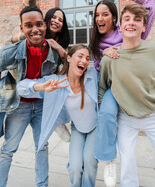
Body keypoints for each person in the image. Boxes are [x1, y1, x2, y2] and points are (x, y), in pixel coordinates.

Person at [90, 0, 155, 186]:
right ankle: (108, 159)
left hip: (149, 105)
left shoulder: (127, 31)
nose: (100, 18)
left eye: (105, 14)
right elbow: (98, 73)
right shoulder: (97, 42)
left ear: (114, 20)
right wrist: (105, 55)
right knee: (107, 114)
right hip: (115, 88)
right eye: (97, 15)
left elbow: (152, 1)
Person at [5, 0, 71, 142]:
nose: (57, 21)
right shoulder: (35, 32)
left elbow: (68, 62)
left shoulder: (60, 42)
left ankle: (58, 119)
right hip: (21, 85)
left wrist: (59, 48)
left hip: (45, 89)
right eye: (54, 17)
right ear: (46, 19)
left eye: (61, 19)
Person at [17, 44, 99, 187]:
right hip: (78, 129)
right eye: (80, 56)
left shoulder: (92, 74)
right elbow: (21, 87)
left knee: (90, 163)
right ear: (69, 58)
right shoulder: (56, 81)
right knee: (75, 168)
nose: (84, 61)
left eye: (87, 58)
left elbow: (110, 73)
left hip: (95, 127)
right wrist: (41, 87)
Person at [0, 6, 62, 187]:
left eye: (39, 24)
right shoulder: (10, 52)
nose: (35, 29)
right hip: (18, 106)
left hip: (42, 106)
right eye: (28, 25)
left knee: (42, 147)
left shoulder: (53, 52)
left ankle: (42, 185)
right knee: (8, 150)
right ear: (21, 28)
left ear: (45, 25)